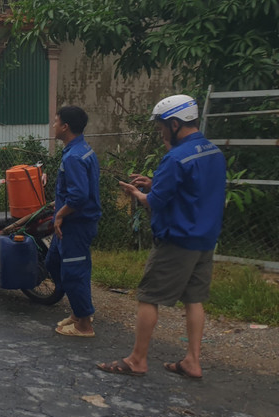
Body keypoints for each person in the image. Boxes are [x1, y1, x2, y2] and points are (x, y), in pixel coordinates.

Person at [97, 94, 226, 379]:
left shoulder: (175, 158)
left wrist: (138, 193)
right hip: (204, 240)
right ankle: (192, 361)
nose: (161, 133)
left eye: (161, 127)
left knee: (148, 297)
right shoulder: (213, 152)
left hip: (176, 240)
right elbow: (192, 190)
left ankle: (137, 360)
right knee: (194, 299)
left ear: (175, 124)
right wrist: (154, 183)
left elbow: (154, 202)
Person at [46, 106, 101, 337]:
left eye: (56, 121)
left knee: (73, 272)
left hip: (75, 224)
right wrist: (59, 203)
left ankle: (84, 325)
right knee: (53, 262)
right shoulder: (79, 150)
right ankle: (79, 312)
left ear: (65, 127)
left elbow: (79, 196)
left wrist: (60, 214)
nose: (53, 125)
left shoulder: (74, 157)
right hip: (71, 222)